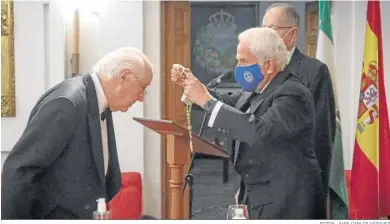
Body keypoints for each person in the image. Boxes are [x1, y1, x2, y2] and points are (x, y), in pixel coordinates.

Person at [171, 27, 325, 219]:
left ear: (268, 65)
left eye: (243, 61)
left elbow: (258, 131)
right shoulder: (258, 90)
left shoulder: (292, 93)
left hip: (288, 202)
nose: (237, 67)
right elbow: (223, 102)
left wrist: (205, 100)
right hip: (259, 194)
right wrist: (192, 85)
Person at [1, 47, 153, 219]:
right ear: (123, 76)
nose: (142, 97)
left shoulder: (100, 101)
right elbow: (20, 170)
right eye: (143, 88)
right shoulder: (67, 103)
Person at [262, 3, 336, 194]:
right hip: (261, 181)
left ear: (292, 34)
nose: (265, 36)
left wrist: (317, 187)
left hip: (298, 182)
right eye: (263, 29)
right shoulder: (259, 68)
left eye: (272, 29)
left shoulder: (314, 71)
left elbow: (322, 134)